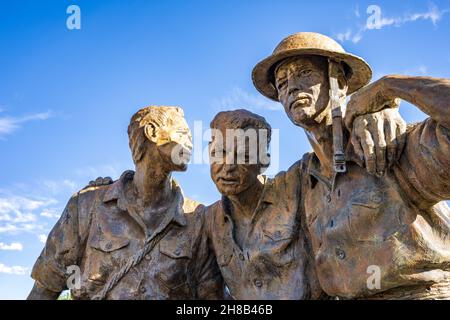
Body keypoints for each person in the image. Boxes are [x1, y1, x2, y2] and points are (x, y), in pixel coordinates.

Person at [252, 32, 450, 299]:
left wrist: (388, 87)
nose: (292, 87)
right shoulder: (302, 180)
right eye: (282, 82)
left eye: (305, 73)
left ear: (340, 83)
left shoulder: (389, 142)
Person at [27, 106, 224, 300]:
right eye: (183, 134)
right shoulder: (86, 205)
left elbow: (211, 297)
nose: (190, 143)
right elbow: (45, 289)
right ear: (152, 132)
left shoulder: (197, 218)